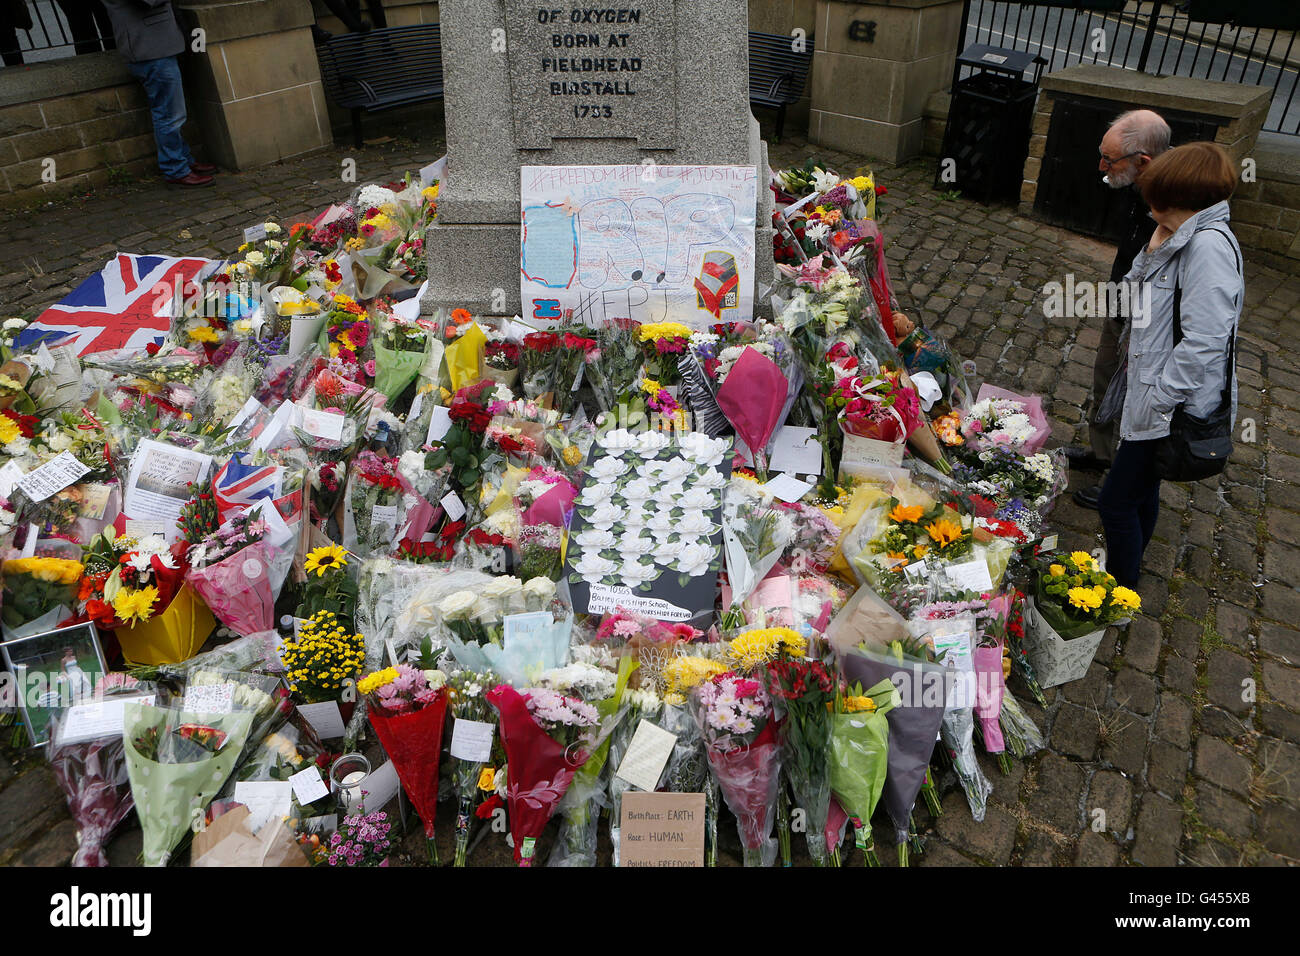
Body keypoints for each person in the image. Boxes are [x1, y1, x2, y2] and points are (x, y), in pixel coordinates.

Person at [1097, 142, 1243, 588]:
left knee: (1115, 503)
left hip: (1168, 405)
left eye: (1159, 199)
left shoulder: (1207, 249)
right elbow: (1126, 300)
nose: (1151, 207)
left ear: (1185, 198)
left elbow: (1207, 340)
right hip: (1150, 396)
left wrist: (1159, 399)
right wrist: (1152, 249)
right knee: (1143, 487)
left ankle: (1119, 592)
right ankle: (1129, 570)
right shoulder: (1178, 237)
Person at [1067, 109, 1171, 510]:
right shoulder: (1137, 183)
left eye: (1109, 160)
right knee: (1104, 378)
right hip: (1121, 303)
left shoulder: (1174, 197)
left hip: (1148, 322)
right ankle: (1102, 454)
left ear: (1143, 162)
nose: (1101, 167)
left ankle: (1119, 482)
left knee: (1131, 399)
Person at [101, 0, 215, 186]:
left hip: (156, 46)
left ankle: (183, 160)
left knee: (172, 112)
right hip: (150, 50)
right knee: (169, 114)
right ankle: (175, 169)